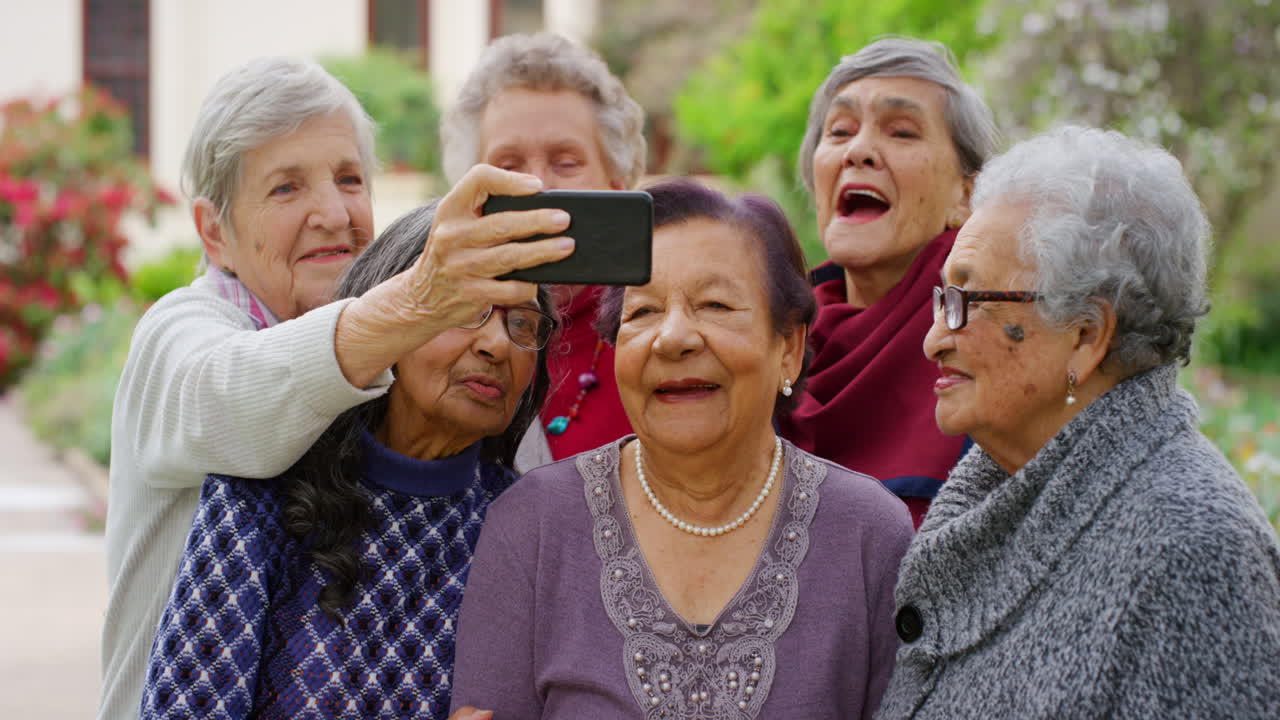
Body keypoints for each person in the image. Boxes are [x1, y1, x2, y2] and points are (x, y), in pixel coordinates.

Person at [101, 57, 574, 720]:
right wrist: (418, 301)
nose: (333, 213)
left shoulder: (419, 373)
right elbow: (240, 402)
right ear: (213, 232)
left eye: (350, 180)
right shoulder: (181, 332)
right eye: (286, 188)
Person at [450, 180, 914, 718]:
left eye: (715, 304)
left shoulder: (869, 534)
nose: (672, 338)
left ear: (788, 346)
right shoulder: (532, 525)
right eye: (643, 312)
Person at [877, 126, 1280, 718]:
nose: (933, 340)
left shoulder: (1194, 553)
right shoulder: (1000, 489)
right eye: (942, 301)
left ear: (1085, 336)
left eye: (969, 302)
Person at [138, 201, 554, 720]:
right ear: (393, 314)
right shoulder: (259, 494)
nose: (497, 345)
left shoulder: (528, 529)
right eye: (466, 307)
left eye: (522, 324)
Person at [778, 37, 1000, 526]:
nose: (858, 151)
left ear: (966, 195)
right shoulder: (773, 338)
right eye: (839, 131)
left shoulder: (1001, 338)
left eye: (901, 132)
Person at [442, 32, 647, 471]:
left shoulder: (657, 331)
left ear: (617, 187)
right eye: (508, 165)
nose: (536, 185)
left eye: (566, 162)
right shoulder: (433, 337)